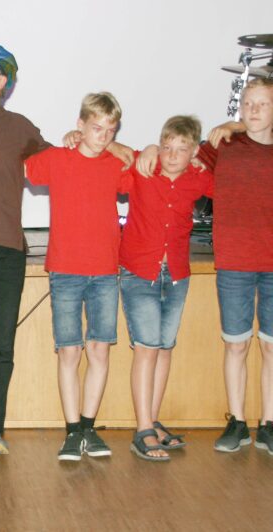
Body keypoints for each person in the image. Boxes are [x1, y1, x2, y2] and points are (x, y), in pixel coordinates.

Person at [0, 44, 133, 455]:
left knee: (0, 345)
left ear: (2, 81)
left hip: (5, 249)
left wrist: (107, 144)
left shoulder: (19, 128)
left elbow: (69, 156)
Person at [144, 78, 273, 454]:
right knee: (236, 346)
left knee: (270, 349)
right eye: (247, 103)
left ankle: (269, 424)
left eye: (262, 104)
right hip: (234, 262)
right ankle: (237, 422)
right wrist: (151, 146)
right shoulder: (223, 144)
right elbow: (178, 155)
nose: (252, 110)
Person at [25, 92, 132, 461]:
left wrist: (118, 147)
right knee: (69, 351)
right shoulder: (57, 158)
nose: (103, 136)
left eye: (110, 131)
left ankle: (89, 427)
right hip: (66, 270)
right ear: (80, 124)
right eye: (96, 128)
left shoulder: (116, 164)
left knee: (99, 349)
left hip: (105, 271)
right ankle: (72, 431)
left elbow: (145, 163)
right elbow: (20, 166)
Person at [120, 116, 213, 461]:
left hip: (176, 274)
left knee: (164, 348)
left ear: (194, 152)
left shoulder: (198, 177)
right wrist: (147, 149)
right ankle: (143, 429)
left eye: (181, 149)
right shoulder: (143, 167)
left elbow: (231, 183)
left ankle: (153, 421)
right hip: (139, 272)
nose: (172, 155)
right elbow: (110, 151)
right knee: (146, 348)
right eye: (166, 146)